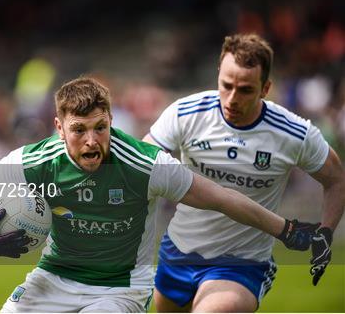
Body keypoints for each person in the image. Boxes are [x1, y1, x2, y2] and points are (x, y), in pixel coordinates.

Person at [0, 76, 318, 313]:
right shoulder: (38, 159)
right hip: (53, 278)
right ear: (59, 128)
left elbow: (222, 198)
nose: (92, 141)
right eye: (79, 130)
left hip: (120, 290)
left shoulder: (146, 165)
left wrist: (286, 229)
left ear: (112, 120)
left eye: (101, 127)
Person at [144, 34, 344, 312]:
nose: (232, 99)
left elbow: (336, 179)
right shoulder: (186, 113)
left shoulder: (294, 133)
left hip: (243, 264)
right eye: (226, 85)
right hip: (177, 253)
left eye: (246, 90)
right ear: (218, 75)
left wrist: (325, 233)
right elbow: (142, 161)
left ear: (266, 88)